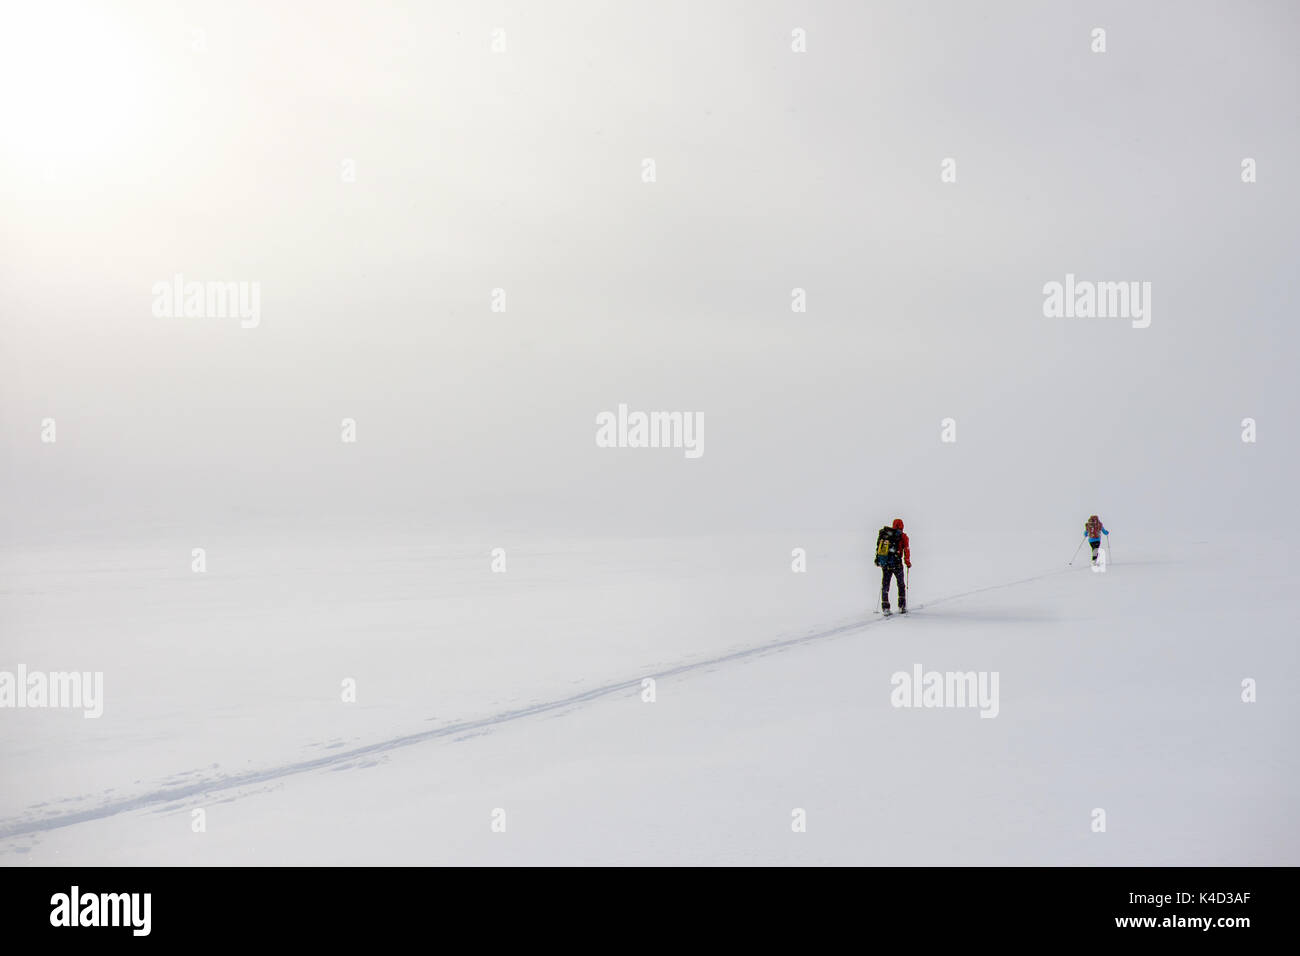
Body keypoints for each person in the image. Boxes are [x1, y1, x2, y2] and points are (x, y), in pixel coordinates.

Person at [874, 518, 911, 614]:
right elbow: (906, 549)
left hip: (886, 564)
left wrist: (878, 559)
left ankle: (885, 607)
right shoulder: (903, 536)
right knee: (901, 585)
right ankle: (902, 607)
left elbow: (878, 547)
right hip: (897, 563)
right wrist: (907, 562)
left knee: (885, 585)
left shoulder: (886, 535)